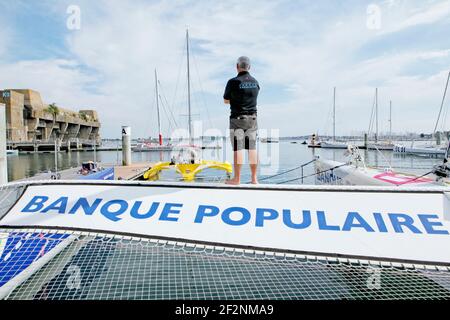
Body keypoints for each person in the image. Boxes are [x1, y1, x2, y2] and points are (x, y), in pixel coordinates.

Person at [223, 56, 260, 185]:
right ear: (249, 67)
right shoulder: (255, 82)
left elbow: (226, 100)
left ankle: (237, 179)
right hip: (253, 119)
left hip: (237, 119)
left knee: (238, 149)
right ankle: (254, 179)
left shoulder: (233, 82)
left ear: (237, 66)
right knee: (252, 148)